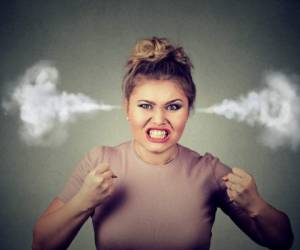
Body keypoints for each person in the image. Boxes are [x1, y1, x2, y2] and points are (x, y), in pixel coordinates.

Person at [32, 37, 294, 250]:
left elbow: (282, 241)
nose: (159, 120)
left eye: (173, 107)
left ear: (188, 110)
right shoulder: (98, 163)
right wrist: (83, 201)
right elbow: (41, 245)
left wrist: (256, 205)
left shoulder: (209, 172)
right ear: (127, 108)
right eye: (145, 106)